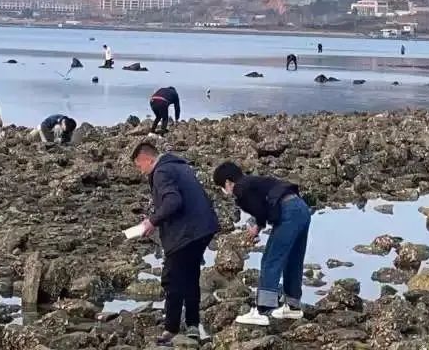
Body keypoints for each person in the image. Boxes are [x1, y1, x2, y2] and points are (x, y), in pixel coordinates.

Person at [130, 142, 219, 345]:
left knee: (172, 278)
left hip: (186, 232)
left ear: (147, 159)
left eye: (139, 166)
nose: (140, 171)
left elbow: (173, 201)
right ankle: (193, 324)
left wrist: (152, 221)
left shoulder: (161, 172)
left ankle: (171, 329)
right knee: (190, 274)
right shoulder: (179, 165)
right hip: (204, 228)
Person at [213, 162, 310, 326]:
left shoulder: (240, 189)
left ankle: (262, 310)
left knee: (270, 260)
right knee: (293, 259)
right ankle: (293, 306)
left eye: (222, 186)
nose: (224, 191)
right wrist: (259, 226)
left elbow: (260, 211)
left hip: (288, 212)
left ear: (228, 182)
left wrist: (257, 227)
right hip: (301, 208)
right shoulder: (253, 181)